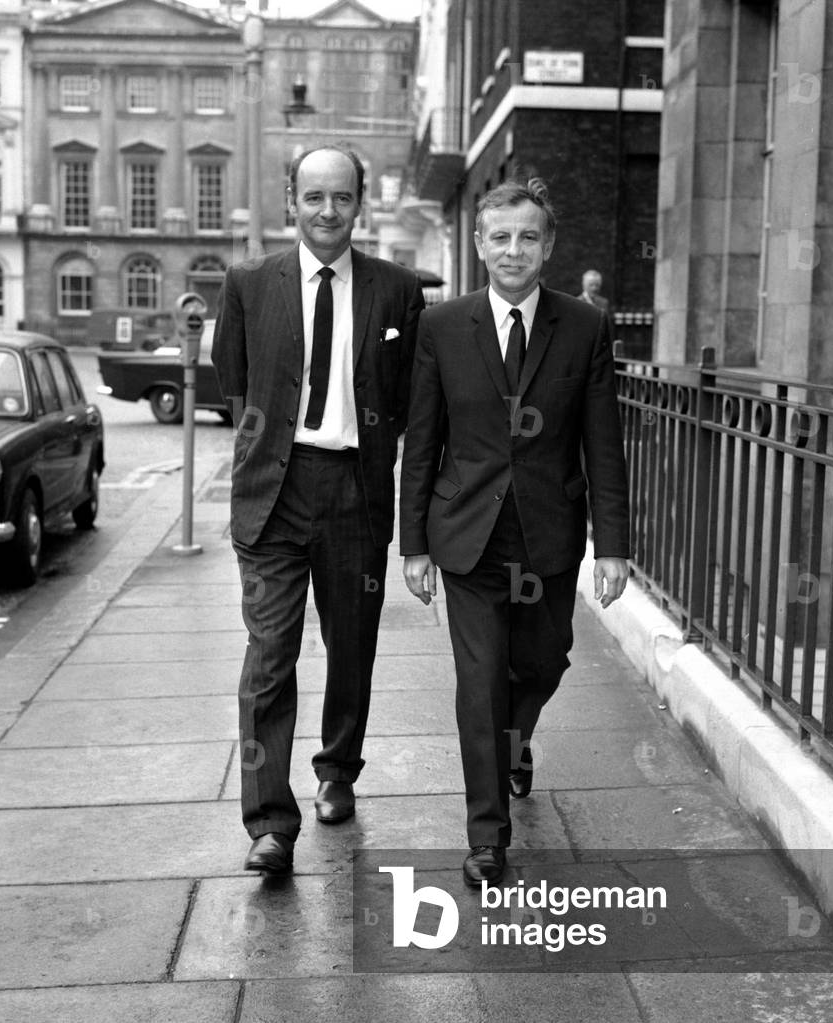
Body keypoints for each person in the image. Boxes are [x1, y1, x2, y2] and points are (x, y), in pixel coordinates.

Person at [400, 178, 630, 887]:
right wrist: (412, 543)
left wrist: (613, 543)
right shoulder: (442, 327)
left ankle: (516, 739)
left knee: (542, 663)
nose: (513, 249)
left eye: (528, 236)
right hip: (466, 535)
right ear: (479, 244)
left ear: (548, 246)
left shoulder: (584, 327)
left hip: (549, 535)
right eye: (499, 236)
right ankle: (486, 836)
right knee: (478, 684)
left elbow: (603, 440)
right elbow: (423, 437)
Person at [212, 146, 424, 876]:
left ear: (360, 202)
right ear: (290, 201)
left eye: (341, 197)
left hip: (355, 491)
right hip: (273, 490)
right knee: (268, 657)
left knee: (351, 645)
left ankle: (337, 768)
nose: (327, 211)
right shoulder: (248, 283)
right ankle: (271, 822)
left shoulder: (398, 291)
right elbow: (235, 386)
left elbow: (404, 401)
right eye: (313, 197)